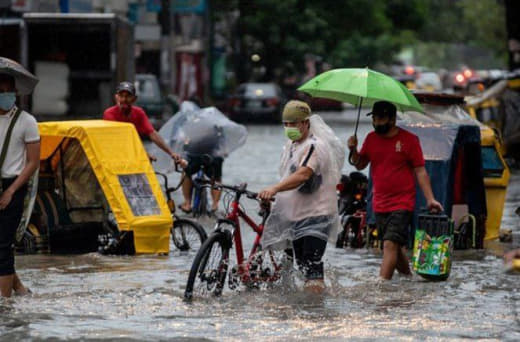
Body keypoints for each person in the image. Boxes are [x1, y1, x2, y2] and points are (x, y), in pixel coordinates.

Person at [347, 100, 443, 280]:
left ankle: (382, 287)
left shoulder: (409, 140)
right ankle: (408, 278)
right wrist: (353, 150)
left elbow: (420, 171)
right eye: (374, 119)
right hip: (379, 202)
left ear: (392, 120)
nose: (377, 123)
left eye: (381, 119)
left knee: (389, 244)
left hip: (402, 202)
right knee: (395, 247)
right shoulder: (371, 139)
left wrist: (430, 199)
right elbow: (360, 165)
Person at [259, 100, 343, 294]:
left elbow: (303, 174)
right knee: (302, 265)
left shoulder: (314, 145)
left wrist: (274, 189)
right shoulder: (291, 146)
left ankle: (314, 312)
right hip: (297, 216)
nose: (289, 128)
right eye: (286, 124)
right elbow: (287, 176)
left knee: (312, 266)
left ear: (306, 123)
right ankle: (305, 307)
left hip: (317, 216)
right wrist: (273, 197)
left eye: (294, 123)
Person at [0, 73, 40, 297]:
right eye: (1, 91)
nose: (5, 95)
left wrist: (11, 190)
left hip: (13, 185)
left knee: (3, 246)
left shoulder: (27, 121)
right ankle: (19, 288)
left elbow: (33, 162)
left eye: (8, 91)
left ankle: (4, 303)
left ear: (15, 92)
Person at [103, 81, 186, 166]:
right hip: (113, 157)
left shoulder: (138, 113)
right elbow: (120, 139)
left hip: (132, 157)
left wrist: (171, 153)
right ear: (116, 97)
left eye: (128, 96)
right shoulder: (109, 113)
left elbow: (152, 134)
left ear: (134, 99)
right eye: (121, 96)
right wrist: (143, 154)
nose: (124, 99)